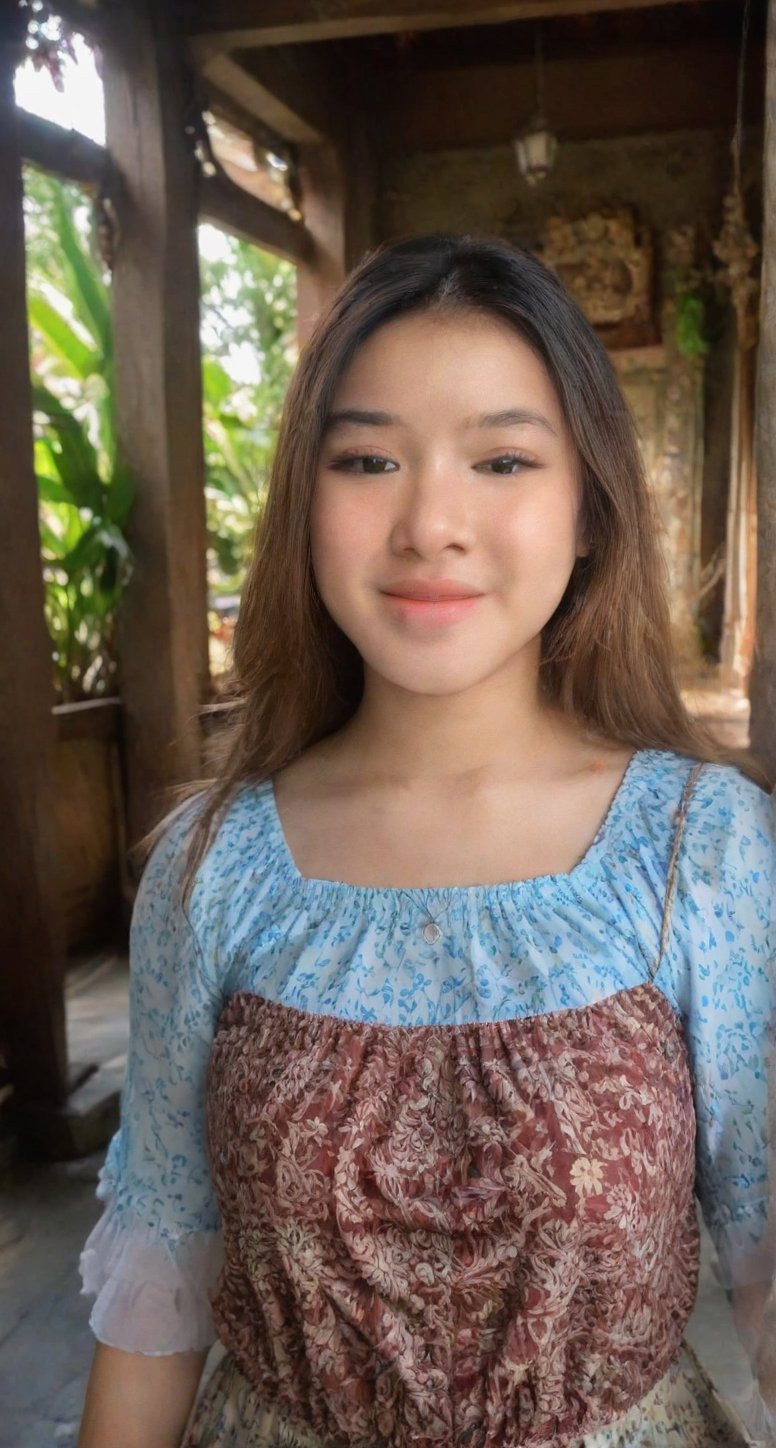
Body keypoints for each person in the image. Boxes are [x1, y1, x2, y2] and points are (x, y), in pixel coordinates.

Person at [77, 234, 776, 1448]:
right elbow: (160, 1270)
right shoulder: (213, 866)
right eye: (366, 459)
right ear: (304, 504)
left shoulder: (699, 852)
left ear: (590, 509)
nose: (429, 523)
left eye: (501, 458)